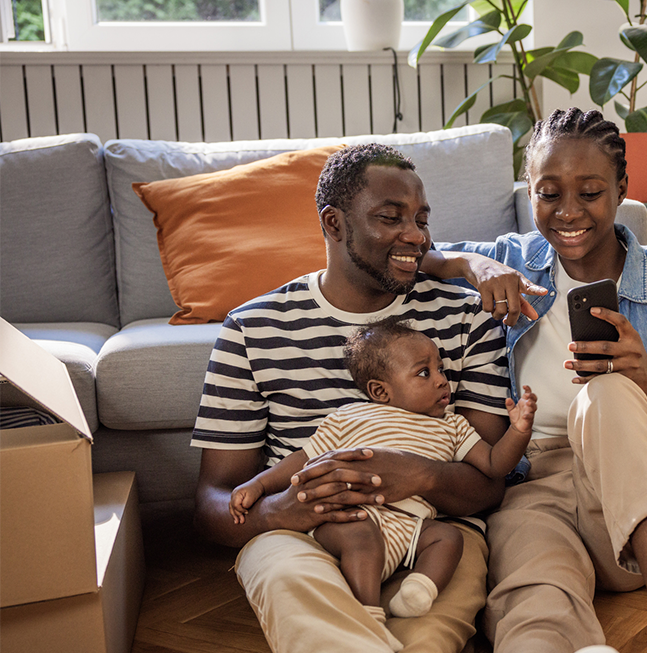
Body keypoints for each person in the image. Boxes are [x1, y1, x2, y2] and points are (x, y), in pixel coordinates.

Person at [423, 108, 647, 653]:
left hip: (642, 509)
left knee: (608, 393)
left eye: (589, 193)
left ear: (621, 189)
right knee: (535, 610)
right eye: (549, 194)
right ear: (529, 191)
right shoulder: (512, 258)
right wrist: (477, 266)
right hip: (533, 487)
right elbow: (422, 255)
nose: (568, 213)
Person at [191, 143, 513, 653]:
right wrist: (279, 512)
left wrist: (420, 474)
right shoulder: (252, 329)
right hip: (300, 537)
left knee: (426, 638)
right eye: (391, 218)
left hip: (433, 535)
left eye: (421, 218)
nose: (416, 235)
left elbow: (491, 484)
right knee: (316, 619)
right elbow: (213, 502)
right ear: (335, 224)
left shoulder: (465, 317)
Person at [229, 317, 538, 621]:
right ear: (380, 391)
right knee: (362, 540)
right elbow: (302, 458)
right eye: (424, 373)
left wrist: (519, 432)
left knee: (448, 538)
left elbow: (495, 465)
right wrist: (259, 484)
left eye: (440, 369)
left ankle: (419, 590)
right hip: (354, 516)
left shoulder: (453, 426)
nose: (442, 379)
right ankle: (367, 612)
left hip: (411, 524)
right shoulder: (349, 417)